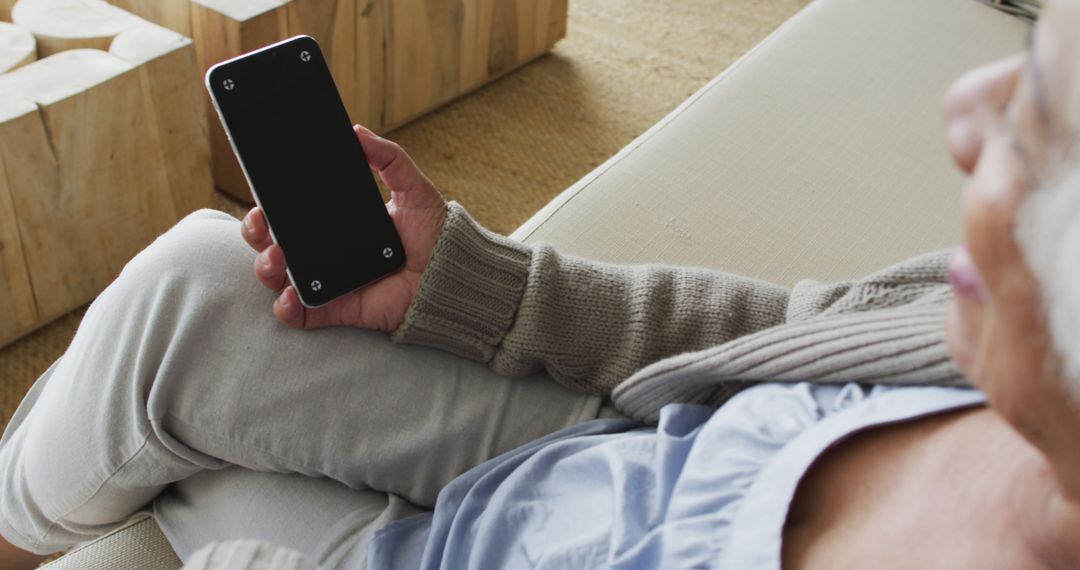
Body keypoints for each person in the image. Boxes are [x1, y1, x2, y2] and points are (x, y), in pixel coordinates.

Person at [2, 0, 1079, 567]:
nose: (968, 115)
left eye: (1055, 139)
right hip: (643, 443)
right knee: (195, 282)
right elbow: (803, 328)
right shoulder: (973, 348)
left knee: (169, 442)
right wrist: (483, 285)